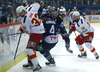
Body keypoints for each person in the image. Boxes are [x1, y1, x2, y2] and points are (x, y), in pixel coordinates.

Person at [16, 5, 45, 72]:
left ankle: (36, 65)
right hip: (40, 31)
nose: (19, 15)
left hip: (36, 34)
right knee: (31, 49)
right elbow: (37, 4)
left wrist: (22, 29)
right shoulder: (31, 10)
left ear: (23, 11)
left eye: (20, 13)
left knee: (29, 49)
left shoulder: (25, 19)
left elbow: (28, 31)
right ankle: (34, 63)